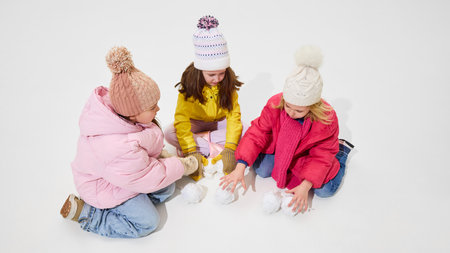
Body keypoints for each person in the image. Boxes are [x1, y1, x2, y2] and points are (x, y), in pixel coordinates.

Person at [59, 46, 198, 238]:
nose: (158, 108)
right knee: (149, 222)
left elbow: (143, 150)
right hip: (104, 187)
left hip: (125, 175)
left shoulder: (126, 118)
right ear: (132, 112)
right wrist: (180, 166)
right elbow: (144, 174)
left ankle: (143, 196)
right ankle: (89, 215)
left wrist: (163, 161)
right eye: (152, 106)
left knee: (168, 188)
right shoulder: (117, 147)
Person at [219, 45, 354, 213]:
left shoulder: (326, 119)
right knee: (261, 170)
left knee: (325, 191)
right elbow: (257, 132)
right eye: (288, 106)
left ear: (312, 106)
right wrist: (240, 166)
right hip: (282, 148)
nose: (291, 112)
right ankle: (282, 161)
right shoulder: (275, 104)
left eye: (299, 110)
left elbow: (322, 154)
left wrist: (306, 185)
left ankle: (340, 154)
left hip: (306, 155)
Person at [165, 15, 245, 181]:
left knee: (246, 128)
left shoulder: (227, 85)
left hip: (219, 122)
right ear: (200, 70)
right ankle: (211, 148)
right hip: (196, 122)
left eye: (222, 73)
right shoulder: (189, 88)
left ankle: (212, 146)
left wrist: (230, 148)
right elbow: (182, 120)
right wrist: (190, 149)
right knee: (170, 132)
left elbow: (233, 117)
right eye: (211, 75)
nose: (217, 79)